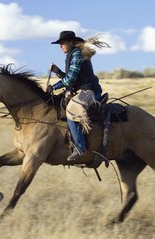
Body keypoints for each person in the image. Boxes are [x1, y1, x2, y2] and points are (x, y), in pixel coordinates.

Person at [46, 31, 108, 161]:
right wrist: (58, 72)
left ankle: (80, 148)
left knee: (71, 109)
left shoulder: (77, 54)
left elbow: (70, 80)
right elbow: (71, 79)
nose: (60, 46)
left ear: (71, 42)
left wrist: (53, 87)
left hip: (89, 91)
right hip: (82, 91)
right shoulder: (72, 54)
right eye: (60, 43)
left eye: (62, 43)